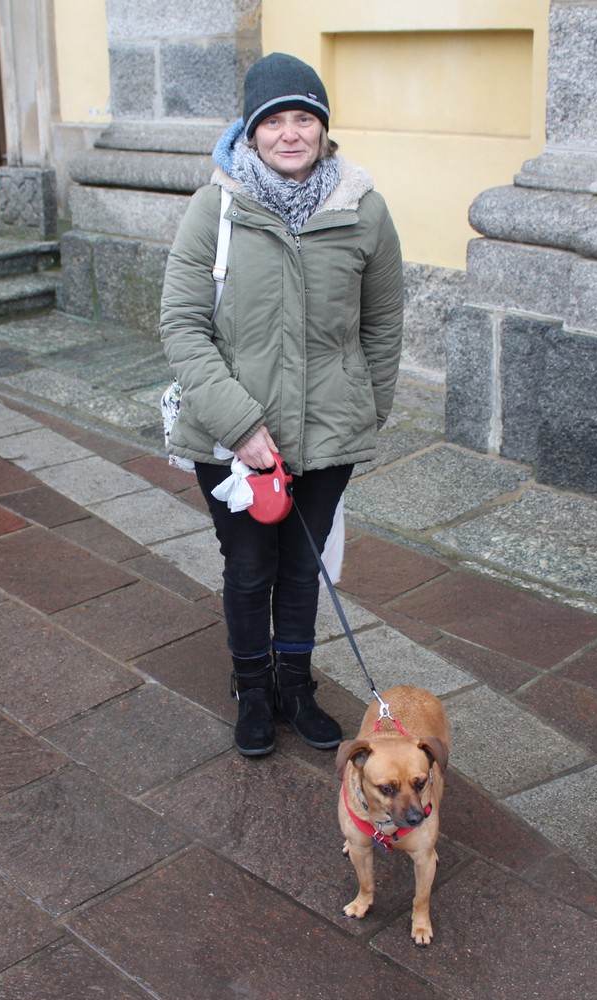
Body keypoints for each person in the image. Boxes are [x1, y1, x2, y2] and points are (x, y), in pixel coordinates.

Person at [160, 53, 404, 756]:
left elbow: (383, 323)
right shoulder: (216, 208)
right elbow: (182, 325)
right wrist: (241, 426)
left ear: (323, 128)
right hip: (229, 437)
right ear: (251, 131)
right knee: (249, 568)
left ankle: (296, 686)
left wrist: (366, 411)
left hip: (329, 432)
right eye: (274, 121)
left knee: (305, 565)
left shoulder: (363, 209)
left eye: (304, 118)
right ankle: (252, 689)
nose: (290, 133)